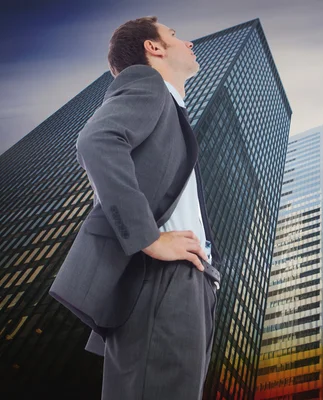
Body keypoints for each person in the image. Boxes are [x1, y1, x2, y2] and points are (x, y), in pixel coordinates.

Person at [49, 16, 222, 399]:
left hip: (190, 285)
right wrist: (149, 239)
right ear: (154, 47)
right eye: (176, 35)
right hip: (162, 277)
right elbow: (97, 141)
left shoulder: (172, 114)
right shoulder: (148, 84)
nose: (188, 42)